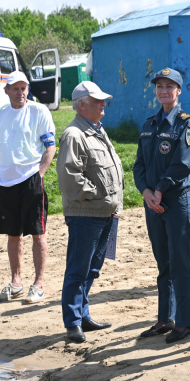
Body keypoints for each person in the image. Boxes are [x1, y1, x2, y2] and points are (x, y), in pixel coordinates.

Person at [133, 68, 190, 344]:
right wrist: (146, 191)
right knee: (163, 263)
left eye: (170, 86)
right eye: (160, 86)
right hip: (153, 203)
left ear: (179, 91)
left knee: (181, 263)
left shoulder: (187, 124)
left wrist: (159, 189)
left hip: (176, 201)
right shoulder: (149, 124)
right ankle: (165, 318)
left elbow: (183, 163)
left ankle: (184, 322)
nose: (164, 91)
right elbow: (139, 165)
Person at [56, 81, 124, 343]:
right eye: (97, 100)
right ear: (82, 104)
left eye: (103, 99)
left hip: (105, 212)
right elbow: (70, 178)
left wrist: (112, 202)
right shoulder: (74, 134)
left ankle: (82, 315)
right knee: (78, 268)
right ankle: (73, 322)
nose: (103, 103)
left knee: (92, 269)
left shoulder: (96, 129)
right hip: (86, 214)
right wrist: (99, 194)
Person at [0, 70, 56, 304]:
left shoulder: (38, 111)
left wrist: (39, 174)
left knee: (37, 232)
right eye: (15, 88)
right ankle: (16, 283)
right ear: (6, 91)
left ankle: (39, 284)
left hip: (31, 179)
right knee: (13, 234)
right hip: (4, 183)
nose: (20, 92)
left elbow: (50, 146)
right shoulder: (0, 114)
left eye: (23, 88)